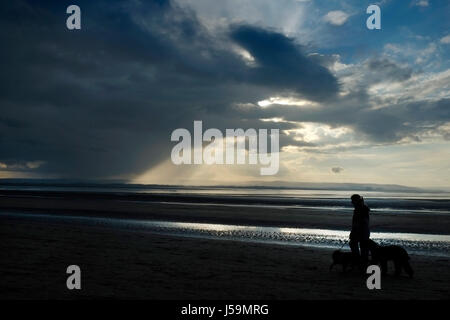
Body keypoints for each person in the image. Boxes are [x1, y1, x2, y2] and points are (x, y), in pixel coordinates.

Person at [349, 194, 370, 270]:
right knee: (362, 247)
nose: (351, 202)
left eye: (352, 200)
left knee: (359, 246)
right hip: (363, 231)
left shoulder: (361, 208)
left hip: (361, 231)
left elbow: (362, 221)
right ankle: (361, 263)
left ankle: (360, 263)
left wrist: (355, 230)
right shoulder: (362, 207)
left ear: (356, 201)